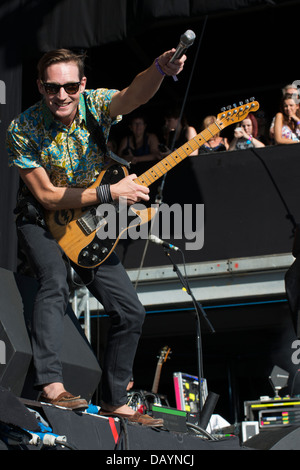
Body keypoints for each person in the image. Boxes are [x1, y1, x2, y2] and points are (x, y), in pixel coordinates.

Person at [6, 47, 186, 425]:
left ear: (82, 85)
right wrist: (111, 193)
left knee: (131, 311)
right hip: (40, 220)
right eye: (53, 88)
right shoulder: (23, 128)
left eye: (71, 86)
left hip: (88, 223)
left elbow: (133, 95)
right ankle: (51, 385)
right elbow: (46, 196)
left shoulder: (96, 105)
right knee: (54, 281)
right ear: (40, 87)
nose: (62, 96)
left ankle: (114, 399)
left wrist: (158, 68)